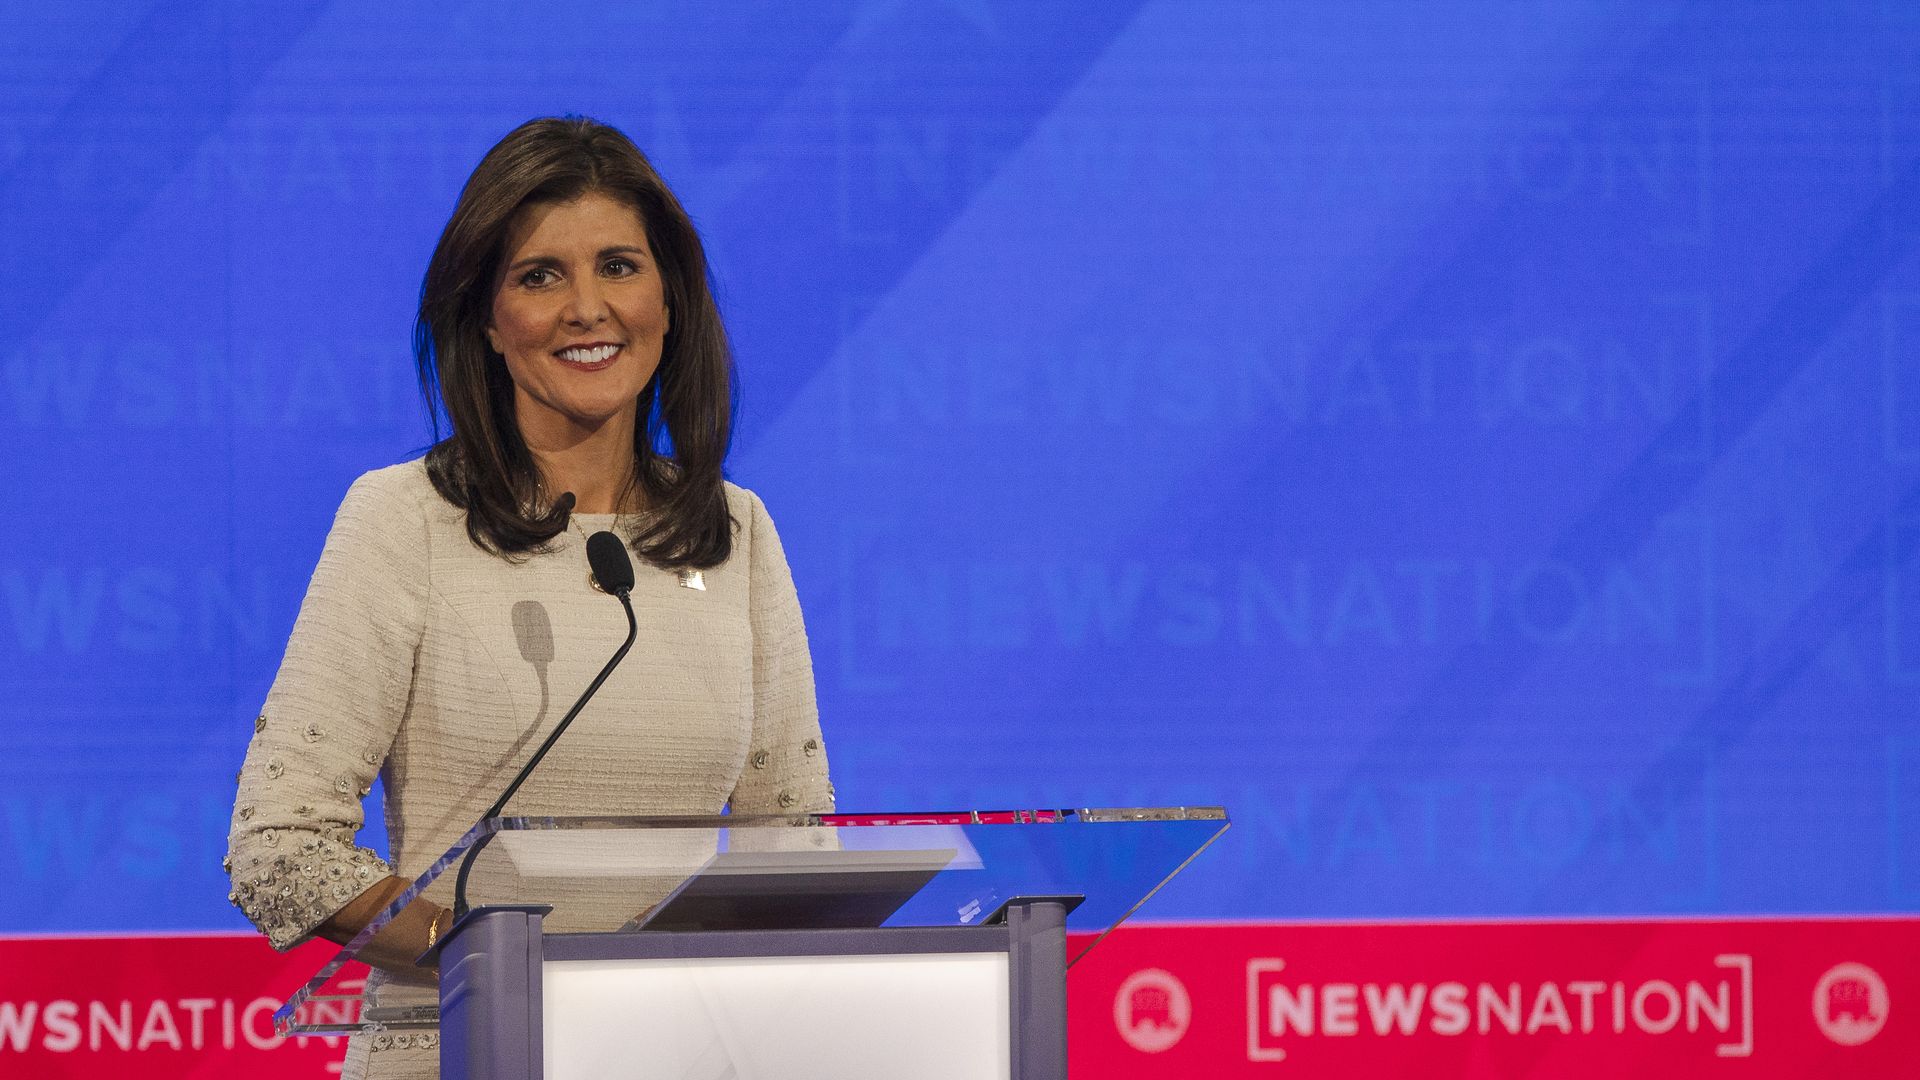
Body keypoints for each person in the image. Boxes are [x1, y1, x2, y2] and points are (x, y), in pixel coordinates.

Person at [226, 116, 833, 1080]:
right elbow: (281, 846)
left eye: (620, 267)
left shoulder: (735, 529)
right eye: (540, 276)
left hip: (683, 1052)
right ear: (487, 321)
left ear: (669, 301)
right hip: (462, 1045)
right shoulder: (406, 520)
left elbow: (788, 842)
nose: (587, 308)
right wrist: (488, 959)